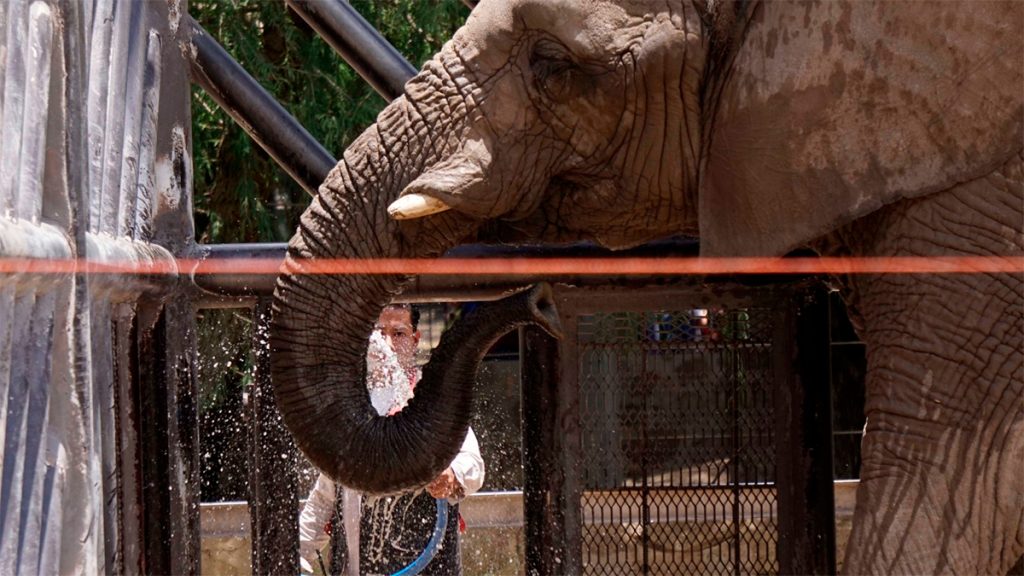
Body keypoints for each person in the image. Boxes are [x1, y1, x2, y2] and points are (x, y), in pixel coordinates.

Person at [299, 304, 485, 575]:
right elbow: (324, 498)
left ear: (414, 339)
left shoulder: (434, 401)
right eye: (377, 333)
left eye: (398, 334)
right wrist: (298, 555)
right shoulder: (348, 410)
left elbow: (473, 465)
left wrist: (451, 475)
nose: (386, 344)